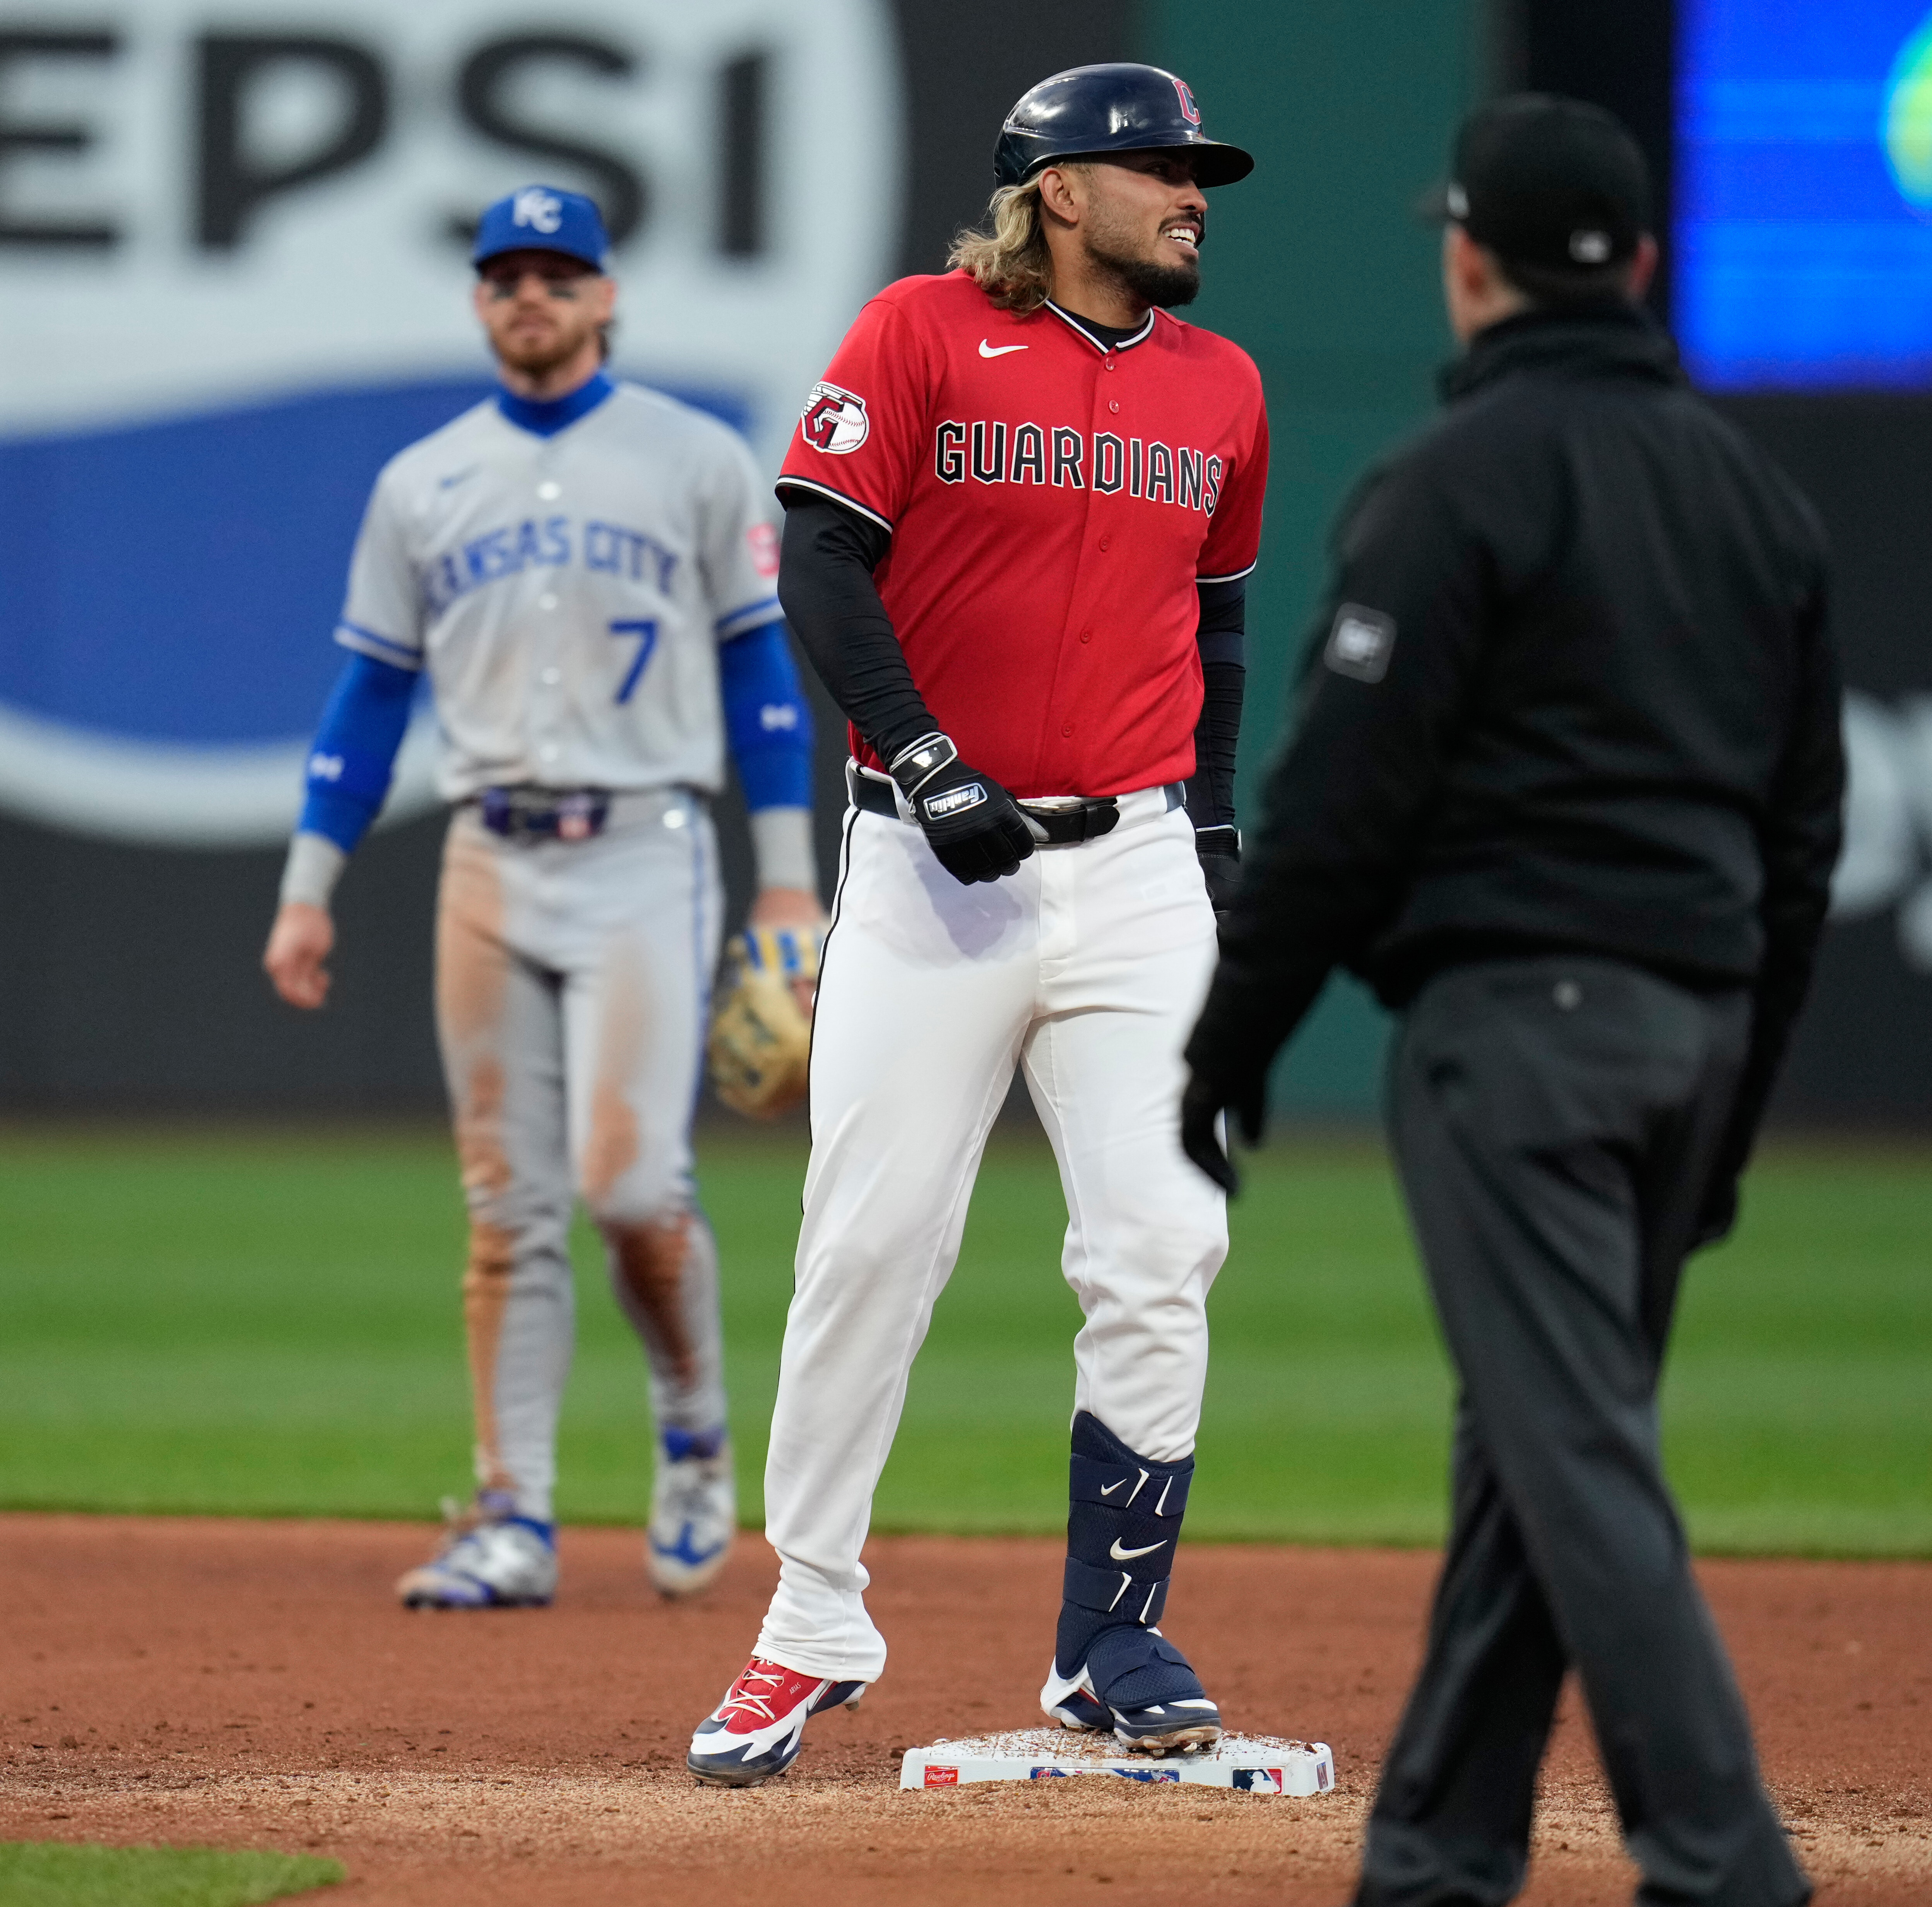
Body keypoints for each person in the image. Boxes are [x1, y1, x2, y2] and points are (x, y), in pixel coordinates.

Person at [1182, 95, 1838, 1907]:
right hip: (1692, 1030)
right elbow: (1804, 845)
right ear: (1633, 265)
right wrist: (1739, 1108)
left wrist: (1229, 1051)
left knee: (1569, 1454)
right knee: (1525, 1457)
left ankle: (1723, 1860)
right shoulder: (1754, 500)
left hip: (1518, 1043)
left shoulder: (1451, 484)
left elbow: (1334, 811)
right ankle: (1438, 1854)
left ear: (1467, 260)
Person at [684, 63, 1269, 1787]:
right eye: (1161, 167)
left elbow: (1219, 631)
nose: (1194, 193)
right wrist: (927, 758)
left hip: (1143, 866)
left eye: (1198, 169)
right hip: (934, 863)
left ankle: (1113, 1634)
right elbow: (817, 561)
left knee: (1165, 1247)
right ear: (1061, 191)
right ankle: (810, 1617)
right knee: (872, 1241)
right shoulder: (922, 333)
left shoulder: (1222, 384)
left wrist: (1218, 839)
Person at [261, 185, 818, 1611]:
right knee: (508, 1206)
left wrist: (787, 878)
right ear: (479, 301)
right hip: (490, 860)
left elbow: (761, 673)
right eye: (508, 275)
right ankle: (513, 1514)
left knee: (635, 1189)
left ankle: (694, 1430)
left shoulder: (694, 457)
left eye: (559, 273)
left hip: (645, 846)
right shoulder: (424, 482)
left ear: (608, 295)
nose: (533, 295)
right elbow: (370, 693)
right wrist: (311, 885)